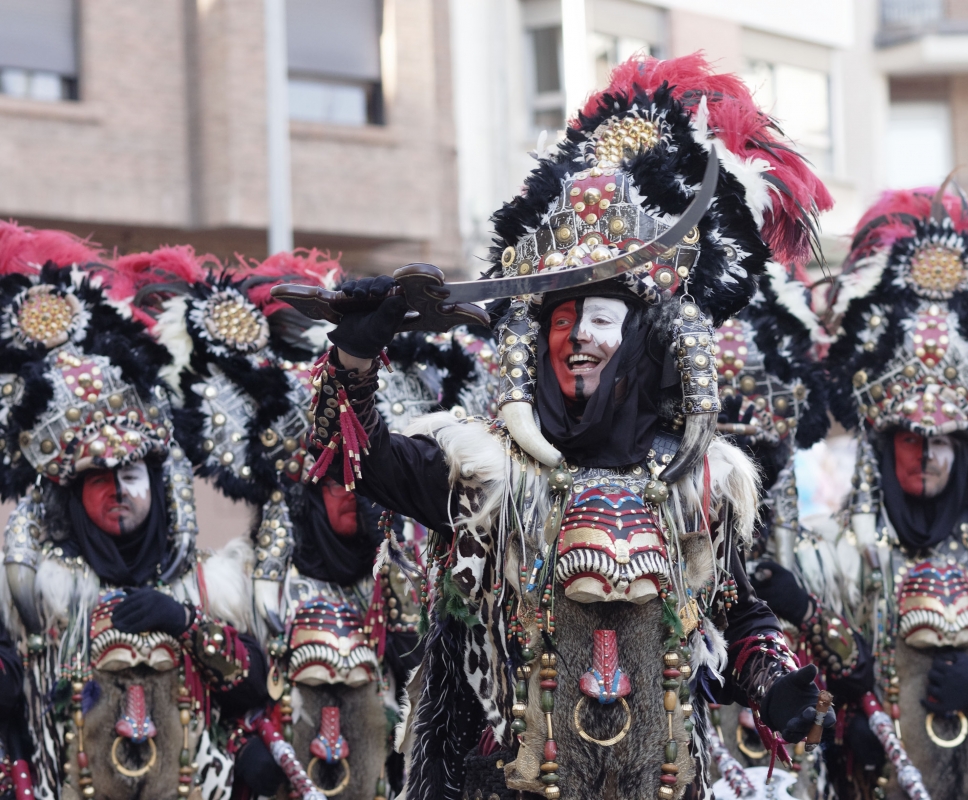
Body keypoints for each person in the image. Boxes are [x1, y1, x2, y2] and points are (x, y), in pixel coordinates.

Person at [286, 55, 835, 800]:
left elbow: (733, 610)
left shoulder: (702, 482)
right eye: (562, 318)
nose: (578, 337)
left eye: (601, 319)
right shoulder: (481, 471)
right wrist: (356, 352)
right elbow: (356, 461)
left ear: (647, 340)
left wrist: (772, 678)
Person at [789, 185, 968, 800]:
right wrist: (840, 728)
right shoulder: (831, 555)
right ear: (883, 443)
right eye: (911, 437)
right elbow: (800, 681)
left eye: (945, 441)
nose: (929, 453)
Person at [0, 230, 267, 800]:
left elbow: (260, 687)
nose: (117, 489)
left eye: (129, 474)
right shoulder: (25, 589)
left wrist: (186, 623)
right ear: (72, 493)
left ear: (158, 483)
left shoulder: (207, 586)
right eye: (98, 478)